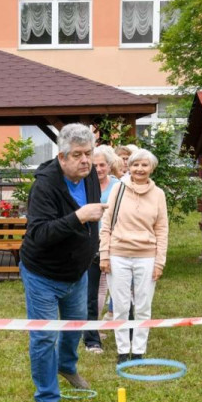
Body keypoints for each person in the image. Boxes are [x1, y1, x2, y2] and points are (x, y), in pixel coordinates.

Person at [19, 123, 104, 402]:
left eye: (88, 153)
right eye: (78, 154)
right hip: (42, 272)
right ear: (62, 157)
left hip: (76, 270)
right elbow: (39, 234)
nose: (85, 160)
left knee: (75, 325)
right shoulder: (44, 185)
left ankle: (66, 367)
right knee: (44, 335)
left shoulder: (89, 172)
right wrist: (78, 217)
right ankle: (46, 397)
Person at [100, 148, 169, 363]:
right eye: (135, 164)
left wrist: (159, 262)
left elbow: (162, 229)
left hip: (147, 257)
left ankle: (138, 350)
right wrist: (104, 254)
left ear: (151, 168)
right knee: (120, 305)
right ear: (128, 167)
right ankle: (123, 351)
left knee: (143, 305)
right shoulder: (118, 189)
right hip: (118, 254)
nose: (139, 169)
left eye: (144, 165)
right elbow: (106, 223)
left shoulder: (158, 194)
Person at [83, 145, 122, 354]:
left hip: (114, 245)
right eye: (94, 165)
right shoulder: (84, 185)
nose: (98, 169)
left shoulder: (118, 186)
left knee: (118, 292)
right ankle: (91, 337)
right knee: (91, 293)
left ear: (109, 166)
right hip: (90, 245)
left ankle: (124, 335)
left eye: (102, 165)